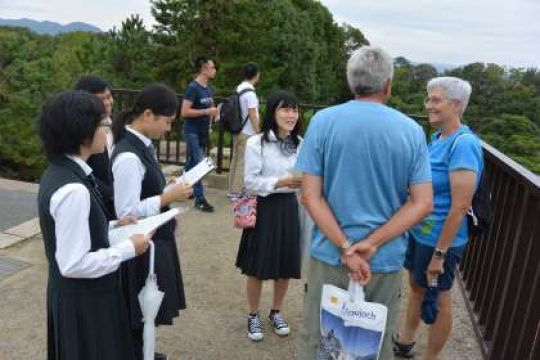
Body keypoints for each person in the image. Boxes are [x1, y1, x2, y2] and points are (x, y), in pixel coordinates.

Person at [295, 45, 434, 360]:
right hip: (382, 260)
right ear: (388, 86)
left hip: (330, 255)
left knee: (320, 338)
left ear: (351, 83)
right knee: (372, 342)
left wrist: (346, 246)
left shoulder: (323, 122)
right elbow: (422, 203)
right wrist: (370, 244)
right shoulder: (411, 131)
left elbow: (310, 196)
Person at [37, 90, 151, 360]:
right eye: (103, 122)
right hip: (85, 303)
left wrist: (113, 226)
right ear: (83, 131)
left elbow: (77, 231)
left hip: (78, 299)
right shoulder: (73, 189)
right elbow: (73, 263)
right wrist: (128, 248)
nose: (108, 129)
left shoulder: (60, 171)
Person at [394, 77, 483, 360]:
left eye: (435, 100)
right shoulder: (438, 138)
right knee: (417, 287)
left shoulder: (464, 144)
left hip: (440, 241)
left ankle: (430, 357)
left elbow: (460, 206)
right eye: (428, 98)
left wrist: (440, 254)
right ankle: (406, 342)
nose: (427, 105)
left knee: (441, 298)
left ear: (456, 105)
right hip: (420, 232)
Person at [111, 84, 193, 360]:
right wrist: (166, 197)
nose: (168, 130)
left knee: (145, 311)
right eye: (167, 122)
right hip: (139, 244)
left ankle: (141, 351)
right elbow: (126, 214)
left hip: (150, 239)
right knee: (137, 309)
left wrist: (165, 191)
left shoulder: (141, 146)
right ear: (148, 114)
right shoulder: (128, 156)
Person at [236, 90, 303, 342]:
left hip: (289, 206)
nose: (291, 115)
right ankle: (253, 314)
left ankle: (276, 311)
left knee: (285, 264)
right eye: (285, 109)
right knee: (257, 266)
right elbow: (250, 182)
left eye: (295, 110)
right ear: (273, 112)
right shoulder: (257, 142)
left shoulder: (301, 143)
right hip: (264, 207)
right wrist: (281, 181)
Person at [74, 75, 116, 219]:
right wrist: (111, 194)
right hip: (98, 203)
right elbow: (82, 171)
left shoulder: (115, 123)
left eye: (109, 96)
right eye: (101, 99)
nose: (108, 102)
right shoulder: (82, 134)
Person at [180, 56, 218, 212]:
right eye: (212, 67)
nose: (214, 70)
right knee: (199, 164)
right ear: (203, 69)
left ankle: (182, 186)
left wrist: (213, 115)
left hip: (203, 132)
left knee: (191, 164)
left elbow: (211, 107)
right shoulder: (193, 88)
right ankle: (200, 200)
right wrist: (206, 111)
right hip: (192, 132)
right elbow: (184, 111)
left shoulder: (208, 89)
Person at [228, 62, 261, 197]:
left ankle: (231, 189)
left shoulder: (239, 88)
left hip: (237, 129)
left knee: (235, 159)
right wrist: (259, 131)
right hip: (247, 132)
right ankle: (236, 191)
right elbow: (253, 114)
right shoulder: (250, 93)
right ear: (256, 75)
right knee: (242, 161)